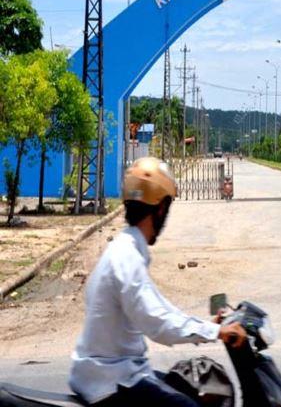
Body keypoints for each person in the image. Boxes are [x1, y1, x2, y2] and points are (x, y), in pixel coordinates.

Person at [69, 157, 247, 406]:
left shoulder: (123, 249)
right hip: (111, 381)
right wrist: (215, 332)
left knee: (189, 389)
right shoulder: (127, 258)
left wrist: (206, 327)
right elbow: (157, 322)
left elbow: (160, 308)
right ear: (161, 208)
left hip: (116, 372)